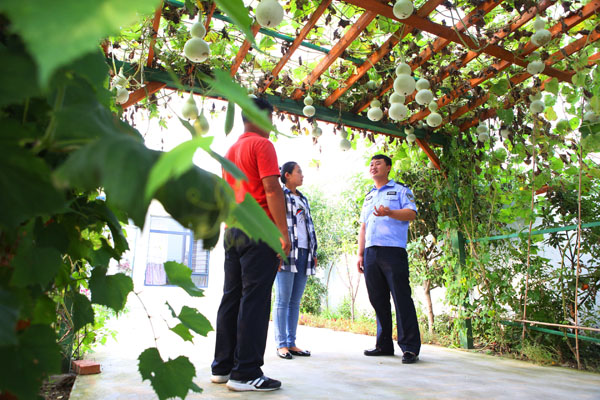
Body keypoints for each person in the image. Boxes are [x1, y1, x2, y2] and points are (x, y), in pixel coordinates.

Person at [211, 97, 291, 392]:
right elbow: (272, 189)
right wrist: (282, 233)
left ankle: (223, 367)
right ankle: (245, 373)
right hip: (259, 231)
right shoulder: (262, 145)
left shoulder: (230, 151)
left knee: (232, 297)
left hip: (233, 230)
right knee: (255, 300)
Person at [356, 154, 421, 364]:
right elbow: (363, 226)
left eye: (378, 164)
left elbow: (411, 214)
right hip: (371, 252)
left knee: (401, 298)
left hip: (393, 251)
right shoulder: (368, 196)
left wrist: (390, 212)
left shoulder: (401, 190)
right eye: (371, 164)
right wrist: (360, 253)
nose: (373, 167)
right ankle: (383, 345)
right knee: (378, 299)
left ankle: (410, 348)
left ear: (388, 167)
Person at [273, 162, 318, 360]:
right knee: (282, 300)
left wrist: (313, 252)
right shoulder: (280, 196)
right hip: (287, 252)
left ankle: (291, 343)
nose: (302, 175)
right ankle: (281, 344)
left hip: (305, 253)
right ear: (287, 175)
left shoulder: (303, 198)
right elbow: (275, 223)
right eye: (299, 172)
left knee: (294, 301)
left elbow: (309, 226)